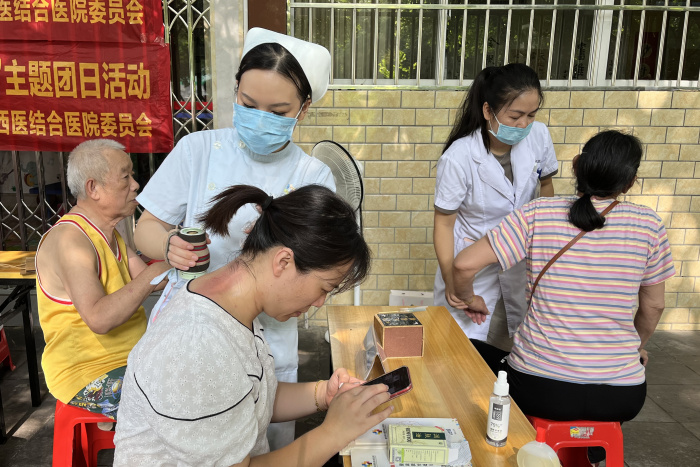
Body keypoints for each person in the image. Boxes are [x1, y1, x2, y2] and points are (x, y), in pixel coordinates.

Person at [132, 28, 334, 448]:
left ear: (303, 109)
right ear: (235, 91)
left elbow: (315, 269)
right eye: (248, 103)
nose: (260, 118)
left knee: (262, 440)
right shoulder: (197, 151)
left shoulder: (312, 176)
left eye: (278, 111)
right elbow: (145, 229)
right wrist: (169, 246)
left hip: (268, 337)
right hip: (191, 332)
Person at [113, 184, 392, 466]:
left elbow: (253, 396)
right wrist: (334, 433)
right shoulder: (196, 344)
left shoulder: (230, 303)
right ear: (283, 261)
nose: (320, 302)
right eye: (324, 288)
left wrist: (323, 394)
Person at [449, 131, 674, 461]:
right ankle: (588, 448)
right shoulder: (649, 225)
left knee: (468, 349)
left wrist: (470, 299)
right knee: (611, 387)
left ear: (576, 166)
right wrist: (635, 348)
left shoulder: (538, 213)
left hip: (539, 390)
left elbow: (463, 264)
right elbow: (654, 305)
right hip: (622, 396)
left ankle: (515, 445)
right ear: (629, 182)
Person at [34, 139, 169, 419]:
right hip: (88, 374)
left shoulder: (109, 233)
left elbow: (154, 280)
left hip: (131, 359)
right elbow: (99, 318)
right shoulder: (70, 240)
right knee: (185, 403)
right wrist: (154, 272)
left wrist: (180, 255)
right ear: (93, 188)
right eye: (126, 177)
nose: (136, 185)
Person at [433, 63, 559, 352]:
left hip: (520, 260)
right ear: (488, 110)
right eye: (515, 116)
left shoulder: (538, 136)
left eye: (531, 115)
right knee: (464, 349)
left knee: (513, 346)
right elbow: (444, 224)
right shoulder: (459, 157)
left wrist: (545, 241)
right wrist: (453, 282)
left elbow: (546, 187)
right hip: (472, 263)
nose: (524, 125)